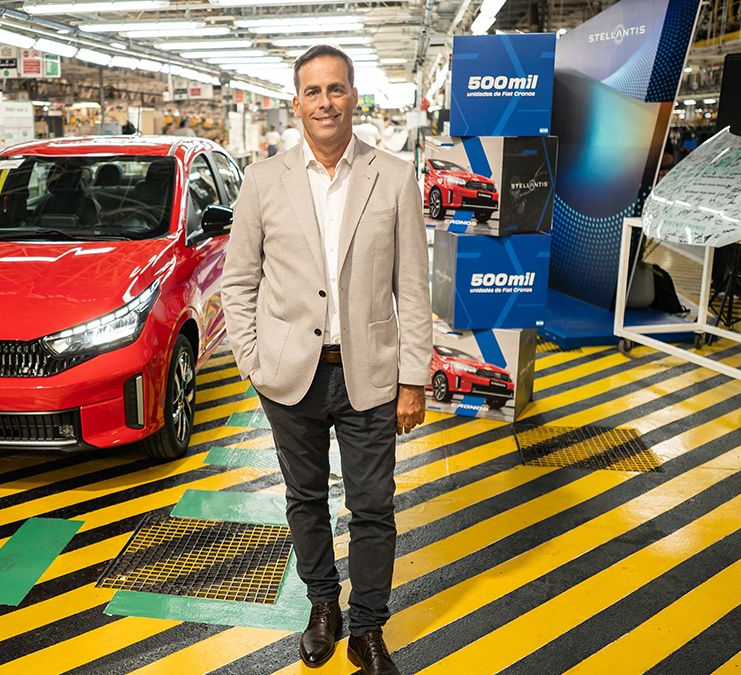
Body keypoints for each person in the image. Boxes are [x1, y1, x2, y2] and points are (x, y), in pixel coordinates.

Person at [221, 45, 429, 675]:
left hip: (370, 373)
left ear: (354, 97)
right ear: (296, 103)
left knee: (373, 508)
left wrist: (413, 378)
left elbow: (413, 289)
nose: (325, 102)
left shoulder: (392, 177)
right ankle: (322, 609)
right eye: (313, 92)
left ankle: (367, 627)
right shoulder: (263, 180)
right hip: (290, 378)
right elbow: (238, 283)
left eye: (336, 90)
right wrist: (254, 362)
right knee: (304, 500)